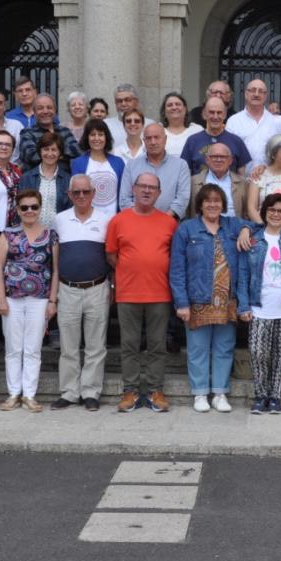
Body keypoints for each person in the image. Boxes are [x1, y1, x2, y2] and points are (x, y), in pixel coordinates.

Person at [106, 172, 180, 412]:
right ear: (134, 190)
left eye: (152, 188)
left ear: (159, 193)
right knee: (129, 345)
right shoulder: (119, 220)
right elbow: (111, 255)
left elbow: (174, 257)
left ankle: (156, 391)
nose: (147, 191)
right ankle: (130, 392)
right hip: (128, 293)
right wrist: (132, 270)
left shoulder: (169, 222)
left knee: (158, 345)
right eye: (142, 186)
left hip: (160, 293)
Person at [171, 184, 246, 413]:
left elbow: (258, 226)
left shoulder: (232, 225)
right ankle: (200, 393)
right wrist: (181, 302)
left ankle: (220, 393)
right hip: (198, 298)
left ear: (223, 204)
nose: (212, 204)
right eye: (207, 200)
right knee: (198, 348)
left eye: (217, 200)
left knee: (224, 347)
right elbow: (177, 268)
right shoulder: (187, 229)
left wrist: (245, 230)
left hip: (226, 300)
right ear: (200, 204)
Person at [236, 192, 281, 415]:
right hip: (259, 307)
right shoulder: (253, 240)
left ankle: (274, 396)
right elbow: (243, 274)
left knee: (279, 354)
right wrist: (244, 306)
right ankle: (260, 394)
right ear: (265, 212)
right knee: (258, 353)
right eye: (272, 210)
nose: (276, 214)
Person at [0, 187, 58, 412]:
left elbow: (56, 269)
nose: (29, 211)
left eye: (34, 207)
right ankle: (13, 393)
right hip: (12, 298)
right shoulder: (8, 234)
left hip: (39, 299)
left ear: (40, 208)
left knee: (33, 348)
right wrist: (0, 298)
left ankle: (29, 394)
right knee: (13, 348)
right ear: (18, 210)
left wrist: (52, 300)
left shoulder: (50, 235)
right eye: (25, 207)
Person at [50, 175, 111, 411]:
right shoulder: (59, 220)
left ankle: (91, 392)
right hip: (67, 289)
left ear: (94, 193)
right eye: (76, 192)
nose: (81, 196)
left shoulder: (106, 220)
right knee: (68, 345)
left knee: (96, 345)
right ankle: (69, 392)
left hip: (97, 287)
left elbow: (110, 255)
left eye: (86, 191)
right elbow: (55, 258)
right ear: (69, 195)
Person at [118, 123, 192, 217]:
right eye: (149, 138)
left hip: (169, 224)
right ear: (144, 141)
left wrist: (162, 220)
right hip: (136, 224)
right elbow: (125, 199)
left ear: (165, 140)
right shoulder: (131, 165)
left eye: (157, 137)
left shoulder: (181, 165)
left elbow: (182, 198)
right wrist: (140, 218)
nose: (153, 142)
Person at [228, 78, 281, 169]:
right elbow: (228, 151)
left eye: (261, 91)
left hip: (269, 178)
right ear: (246, 94)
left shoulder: (276, 122)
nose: (256, 94)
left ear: (266, 96)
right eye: (253, 90)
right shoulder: (233, 121)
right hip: (240, 178)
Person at [17, 132, 74, 228]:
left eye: (54, 150)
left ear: (60, 153)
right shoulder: (27, 178)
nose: (50, 153)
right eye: (46, 149)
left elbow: (69, 210)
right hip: (31, 232)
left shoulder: (67, 179)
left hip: (58, 232)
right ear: (40, 151)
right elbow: (20, 207)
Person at [70, 119, 124, 216]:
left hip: (114, 219)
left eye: (100, 134)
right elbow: (76, 194)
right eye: (92, 134)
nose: (97, 138)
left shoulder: (118, 162)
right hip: (87, 220)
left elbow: (123, 194)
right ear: (87, 138)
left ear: (106, 137)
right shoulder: (78, 163)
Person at [183, 96, 252, 173]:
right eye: (211, 112)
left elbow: (241, 177)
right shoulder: (192, 141)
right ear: (204, 114)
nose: (215, 117)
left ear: (225, 114)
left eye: (219, 113)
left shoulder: (236, 141)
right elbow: (185, 173)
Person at [16, 93, 81, 166]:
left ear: (55, 111)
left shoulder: (64, 131)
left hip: (63, 175)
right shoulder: (27, 133)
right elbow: (32, 156)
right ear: (34, 112)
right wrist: (62, 154)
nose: (45, 111)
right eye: (40, 108)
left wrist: (46, 154)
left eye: (49, 107)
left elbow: (76, 150)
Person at [189, 142, 246, 219]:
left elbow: (247, 213)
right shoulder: (193, 182)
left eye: (223, 157)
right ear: (207, 160)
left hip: (234, 229)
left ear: (230, 160)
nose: (218, 160)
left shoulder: (243, 183)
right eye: (214, 156)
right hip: (200, 229)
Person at [160, 92, 201, 163]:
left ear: (185, 109)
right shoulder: (158, 130)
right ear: (164, 111)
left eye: (178, 104)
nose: (174, 107)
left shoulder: (197, 130)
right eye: (170, 105)